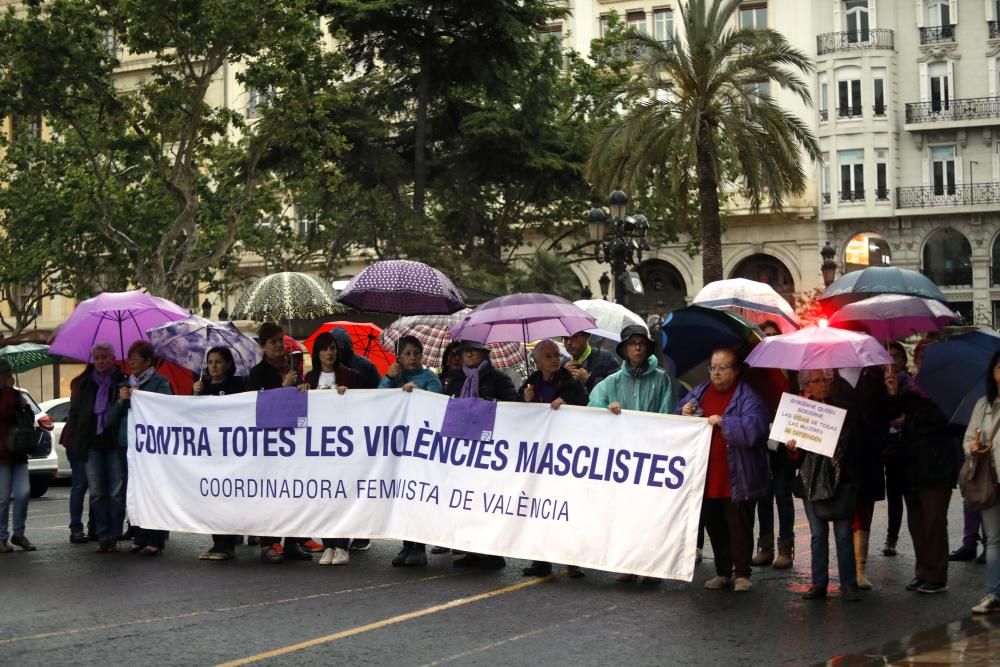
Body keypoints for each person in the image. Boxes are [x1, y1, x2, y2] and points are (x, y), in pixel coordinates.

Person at [590, 324, 678, 582]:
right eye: (632, 343)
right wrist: (608, 409)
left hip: (651, 458)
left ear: (648, 347)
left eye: (641, 343)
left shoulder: (661, 379)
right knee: (626, 513)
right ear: (625, 349)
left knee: (652, 514)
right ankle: (628, 564)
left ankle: (652, 566)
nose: (637, 347)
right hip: (623, 460)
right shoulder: (612, 382)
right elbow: (593, 406)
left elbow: (668, 415)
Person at [678, 346, 769, 593]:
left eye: (722, 368)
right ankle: (722, 572)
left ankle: (741, 574)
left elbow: (757, 429)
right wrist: (682, 411)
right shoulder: (701, 391)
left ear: (736, 371)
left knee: (739, 526)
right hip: (705, 475)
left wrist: (725, 422)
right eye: (713, 367)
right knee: (714, 525)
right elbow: (679, 413)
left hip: (737, 475)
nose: (716, 373)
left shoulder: (748, 396)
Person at [885, 338, 958, 594]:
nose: (922, 360)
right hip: (912, 462)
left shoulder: (948, 387)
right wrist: (893, 392)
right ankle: (922, 570)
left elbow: (942, 422)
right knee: (916, 519)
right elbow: (893, 415)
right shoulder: (912, 387)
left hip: (938, 462)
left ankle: (937, 575)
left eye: (927, 356)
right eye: (919, 355)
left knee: (934, 520)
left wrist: (910, 421)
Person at [786, 369, 860, 602]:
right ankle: (819, 584)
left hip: (841, 480)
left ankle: (849, 585)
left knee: (843, 535)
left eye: (825, 379)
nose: (823, 384)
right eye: (816, 381)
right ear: (807, 386)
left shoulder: (843, 408)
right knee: (818, 534)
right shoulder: (801, 411)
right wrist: (793, 449)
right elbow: (797, 456)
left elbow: (855, 443)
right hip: (811, 480)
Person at [517, 339, 588, 578]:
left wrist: (567, 404)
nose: (555, 359)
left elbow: (584, 405)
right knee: (539, 509)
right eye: (548, 356)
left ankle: (572, 560)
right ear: (537, 362)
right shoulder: (530, 383)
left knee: (566, 508)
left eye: (556, 354)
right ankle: (541, 560)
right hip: (537, 456)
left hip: (563, 456)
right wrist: (525, 399)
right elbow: (516, 412)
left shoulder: (570, 383)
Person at [444, 339, 518, 570]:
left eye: (473, 351)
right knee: (467, 501)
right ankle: (472, 549)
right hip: (463, 449)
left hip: (489, 449)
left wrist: (489, 405)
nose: (468, 354)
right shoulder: (457, 380)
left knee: (487, 500)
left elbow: (512, 407)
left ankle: (493, 552)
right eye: (465, 351)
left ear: (484, 354)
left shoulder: (499, 379)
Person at [246, 322, 313, 564]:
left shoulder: (292, 367)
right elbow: (255, 404)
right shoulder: (257, 372)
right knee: (270, 494)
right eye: (273, 341)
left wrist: (301, 387)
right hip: (269, 443)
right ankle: (268, 542)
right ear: (263, 346)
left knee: (294, 491)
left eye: (280, 340)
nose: (278, 345)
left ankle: (293, 542)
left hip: (293, 440)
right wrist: (282, 387)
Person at [380, 336, 444, 567]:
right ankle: (408, 545)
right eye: (407, 353)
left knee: (418, 495)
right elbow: (379, 398)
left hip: (421, 447)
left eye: (416, 353)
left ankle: (419, 547)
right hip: (399, 446)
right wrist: (390, 378)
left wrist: (416, 393)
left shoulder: (429, 377)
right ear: (399, 356)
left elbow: (437, 401)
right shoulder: (395, 375)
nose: (413, 357)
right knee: (402, 497)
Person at [109, 341, 173, 556]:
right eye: (130, 358)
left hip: (151, 447)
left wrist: (144, 398)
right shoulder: (126, 384)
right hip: (127, 444)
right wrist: (121, 400)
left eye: (136, 358)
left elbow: (166, 408)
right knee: (133, 491)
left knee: (153, 490)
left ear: (148, 361)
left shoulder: (159, 382)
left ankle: (156, 537)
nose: (132, 362)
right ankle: (139, 534)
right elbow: (112, 419)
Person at [304, 332, 362, 566]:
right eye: (325, 349)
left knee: (341, 496)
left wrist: (349, 394)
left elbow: (371, 400)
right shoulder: (310, 377)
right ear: (317, 353)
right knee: (324, 497)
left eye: (333, 348)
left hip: (344, 445)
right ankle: (328, 545)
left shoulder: (351, 376)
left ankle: (342, 546)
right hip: (318, 447)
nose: (329, 353)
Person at [66, 343, 128, 553]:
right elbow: (75, 413)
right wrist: (75, 440)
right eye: (97, 357)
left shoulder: (121, 381)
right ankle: (102, 535)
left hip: (113, 443)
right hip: (91, 444)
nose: (100, 361)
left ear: (112, 359)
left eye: (105, 357)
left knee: (116, 493)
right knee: (97, 493)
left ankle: (114, 532)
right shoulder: (84, 383)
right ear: (93, 359)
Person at [192, 346, 246, 560]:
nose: (213, 366)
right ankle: (218, 543)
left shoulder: (238, 385)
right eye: (210, 362)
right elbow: (191, 416)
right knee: (213, 497)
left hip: (233, 451)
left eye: (218, 362)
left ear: (229, 364)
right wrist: (195, 394)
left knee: (228, 497)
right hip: (211, 451)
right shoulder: (202, 387)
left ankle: (227, 545)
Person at [963, 348, 1000, 614]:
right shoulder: (983, 405)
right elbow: (967, 440)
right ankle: (993, 593)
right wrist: (973, 447)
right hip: (990, 479)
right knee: (994, 539)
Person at [0, 360, 35, 553]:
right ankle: (1, 536)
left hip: (18, 450)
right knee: (3, 497)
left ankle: (19, 533)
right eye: (5, 374)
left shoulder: (15, 394)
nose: (8, 377)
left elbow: (28, 420)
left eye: (9, 373)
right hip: (2, 453)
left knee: (23, 493)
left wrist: (24, 407)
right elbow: (4, 412)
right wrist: (7, 392)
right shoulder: (7, 394)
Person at [883, 341, 910, 557]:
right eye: (888, 356)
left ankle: (894, 538)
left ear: (903, 360)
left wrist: (905, 419)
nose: (892, 361)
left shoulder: (910, 384)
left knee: (902, 494)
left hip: (904, 445)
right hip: (885, 445)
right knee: (890, 494)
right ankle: (890, 538)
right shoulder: (879, 382)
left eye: (896, 356)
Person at [563, 329, 620, 395]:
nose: (569, 342)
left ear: (587, 336)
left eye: (574, 337)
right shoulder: (563, 365)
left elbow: (616, 388)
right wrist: (563, 377)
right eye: (565, 338)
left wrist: (589, 380)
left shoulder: (606, 358)